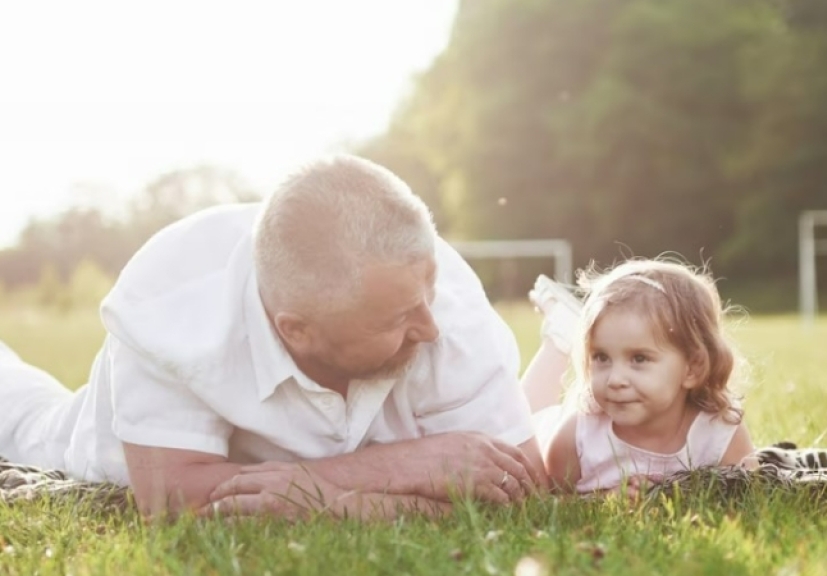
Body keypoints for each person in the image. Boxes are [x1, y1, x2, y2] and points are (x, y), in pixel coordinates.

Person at [0, 155, 546, 519]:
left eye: (426, 295)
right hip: (94, 448)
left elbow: (522, 493)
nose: (430, 327)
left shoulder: (431, 293)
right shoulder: (173, 299)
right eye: (395, 322)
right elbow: (171, 499)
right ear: (296, 331)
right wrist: (389, 472)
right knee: (21, 414)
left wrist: (325, 497)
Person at [520, 260, 756, 495]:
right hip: (539, 435)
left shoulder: (720, 434)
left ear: (692, 368)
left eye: (639, 359)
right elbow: (550, 503)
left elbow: (750, 497)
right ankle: (561, 337)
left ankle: (569, 331)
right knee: (525, 416)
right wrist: (604, 502)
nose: (615, 379)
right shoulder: (575, 437)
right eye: (601, 357)